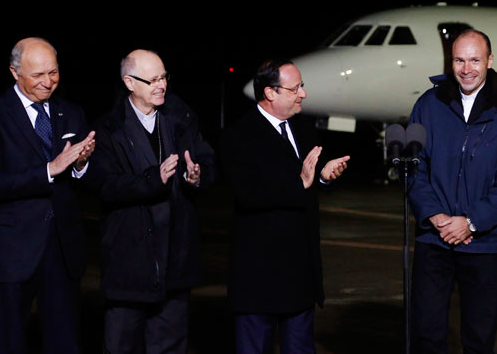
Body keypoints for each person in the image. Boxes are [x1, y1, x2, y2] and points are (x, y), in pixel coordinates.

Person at [408, 30, 497, 353]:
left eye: (475, 60)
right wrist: (434, 216)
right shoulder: (427, 104)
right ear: (450, 61)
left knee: (479, 338)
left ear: (490, 61)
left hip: (487, 243)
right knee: (426, 332)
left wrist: (471, 221)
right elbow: (412, 166)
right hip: (433, 239)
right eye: (459, 60)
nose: (466, 69)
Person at [0, 37, 96, 353]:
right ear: (15, 73)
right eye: (37, 75)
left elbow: (86, 180)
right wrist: (49, 170)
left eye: (53, 73)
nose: (48, 82)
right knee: (7, 342)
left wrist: (81, 165)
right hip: (9, 254)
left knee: (64, 342)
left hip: (62, 251)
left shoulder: (72, 112)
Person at [221, 59, 350, 354]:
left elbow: (308, 180)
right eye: (295, 88)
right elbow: (249, 195)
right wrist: (301, 182)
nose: (303, 94)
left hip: (300, 276)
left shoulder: (303, 128)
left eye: (301, 87)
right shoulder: (238, 136)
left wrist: (323, 176)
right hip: (259, 279)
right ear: (270, 93)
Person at [90, 49, 215, 353]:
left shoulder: (180, 117)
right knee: (121, 345)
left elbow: (207, 160)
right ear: (129, 83)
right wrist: (153, 179)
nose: (161, 85)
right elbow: (105, 185)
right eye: (152, 80)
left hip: (174, 261)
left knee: (170, 345)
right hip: (129, 265)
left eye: (164, 77)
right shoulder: (108, 129)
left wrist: (196, 177)